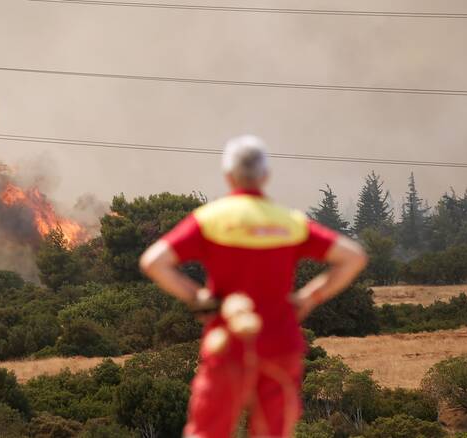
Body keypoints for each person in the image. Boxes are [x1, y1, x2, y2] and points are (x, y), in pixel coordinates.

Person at [139, 135, 368, 438]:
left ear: (228, 176)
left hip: (227, 345)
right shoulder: (290, 223)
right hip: (280, 346)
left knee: (209, 431)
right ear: (265, 176)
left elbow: (153, 261)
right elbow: (353, 257)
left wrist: (198, 297)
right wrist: (308, 298)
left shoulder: (210, 220)